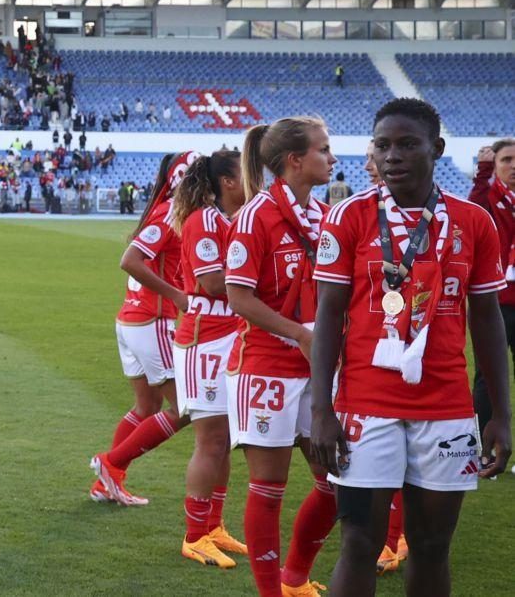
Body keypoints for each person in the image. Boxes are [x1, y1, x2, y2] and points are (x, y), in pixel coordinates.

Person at [310, 98, 512, 597]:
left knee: (430, 545)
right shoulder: (349, 216)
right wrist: (321, 410)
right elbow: (328, 315)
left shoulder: (473, 221)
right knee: (359, 542)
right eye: (383, 145)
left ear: (437, 149)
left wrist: (501, 414)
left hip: (446, 409)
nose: (392, 156)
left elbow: (486, 318)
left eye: (406, 144)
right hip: (364, 405)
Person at [224, 118, 338, 597]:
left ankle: (294, 576)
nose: (332, 159)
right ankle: (272, 592)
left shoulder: (327, 212)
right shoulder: (256, 216)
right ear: (295, 160)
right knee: (268, 490)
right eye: (324, 150)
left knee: (336, 482)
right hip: (267, 366)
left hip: (319, 368)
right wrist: (298, 333)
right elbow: (236, 295)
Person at [89, 153, 196, 505]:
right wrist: (177, 295)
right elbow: (130, 261)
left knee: (146, 405)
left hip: (133, 319)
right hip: (151, 319)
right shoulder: (171, 213)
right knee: (183, 409)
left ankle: (107, 482)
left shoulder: (167, 210)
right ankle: (111, 463)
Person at [170, 149, 248, 568]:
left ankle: (213, 525)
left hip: (231, 335)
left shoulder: (237, 219)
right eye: (250, 174)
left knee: (224, 442)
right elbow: (213, 282)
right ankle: (194, 534)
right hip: (205, 340)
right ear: (228, 182)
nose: (260, 181)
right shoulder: (204, 220)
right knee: (210, 441)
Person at [468, 138, 515, 439]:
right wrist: (482, 174)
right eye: (506, 160)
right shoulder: (490, 197)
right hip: (495, 301)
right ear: (495, 166)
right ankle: (481, 444)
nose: (513, 167)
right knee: (487, 375)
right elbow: (473, 210)